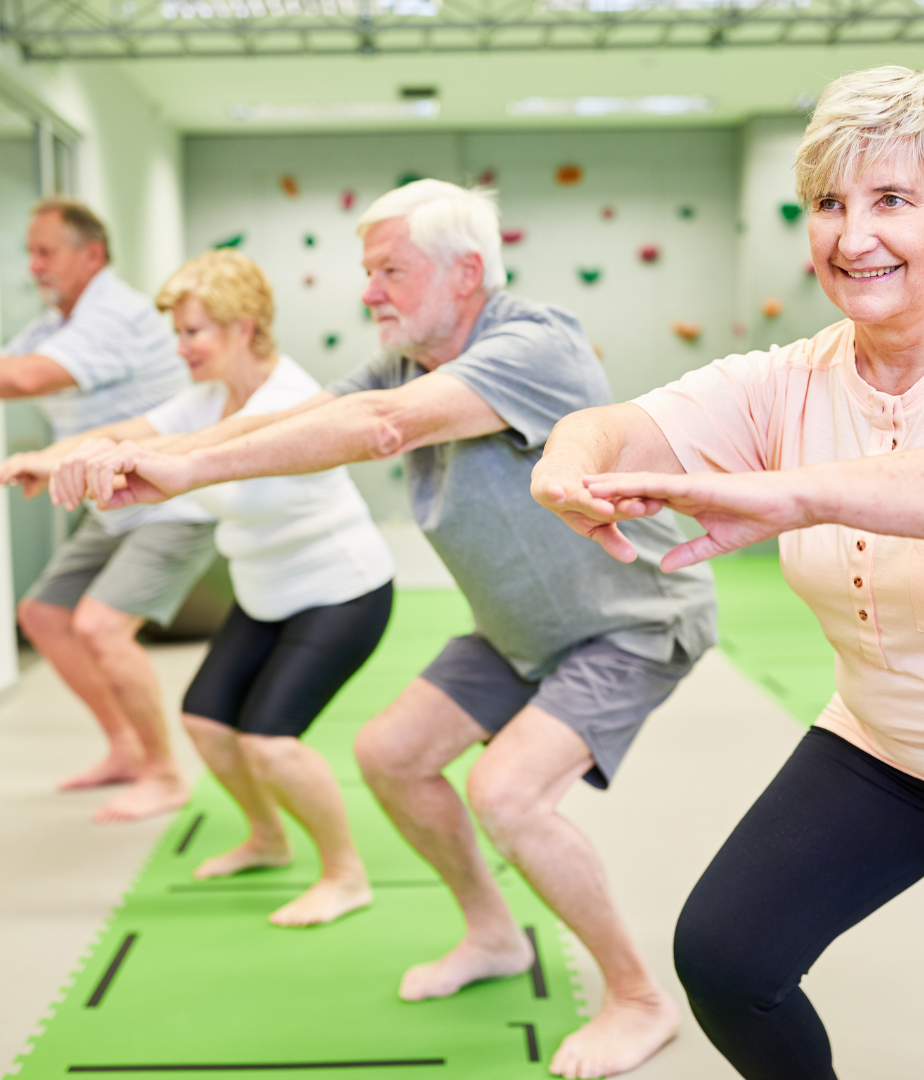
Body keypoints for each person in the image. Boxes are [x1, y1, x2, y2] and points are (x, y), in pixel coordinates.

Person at [57, 180, 717, 1080]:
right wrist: (166, 457)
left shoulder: (533, 343)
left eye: (391, 270)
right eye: (368, 271)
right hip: (518, 630)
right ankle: (493, 934)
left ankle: (639, 1000)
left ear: (466, 272)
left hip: (629, 621)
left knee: (508, 794)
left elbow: (376, 430)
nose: (370, 291)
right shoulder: (405, 358)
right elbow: (305, 416)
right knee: (389, 754)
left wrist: (175, 471)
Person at [532, 63, 924, 1079]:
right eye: (828, 202)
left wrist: (806, 491)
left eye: (891, 200)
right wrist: (571, 458)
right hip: (887, 744)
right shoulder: (785, 379)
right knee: (726, 959)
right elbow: (616, 427)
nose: (850, 235)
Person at [44, 250, 395, 926]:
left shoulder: (288, 399)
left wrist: (116, 466)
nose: (182, 348)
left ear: (242, 327)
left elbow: (196, 456)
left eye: (193, 332)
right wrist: (53, 457)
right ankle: (266, 838)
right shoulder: (209, 396)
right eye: (178, 333)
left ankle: (346, 875)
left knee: (270, 741)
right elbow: (137, 431)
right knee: (207, 721)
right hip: (266, 590)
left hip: (339, 589)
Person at [0, 198, 216, 822]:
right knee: (43, 614)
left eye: (46, 251)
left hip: (173, 502)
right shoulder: (53, 323)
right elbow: (17, 363)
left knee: (99, 625)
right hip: (113, 502)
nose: (34, 265)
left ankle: (165, 774)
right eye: (31, 252)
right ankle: (125, 748)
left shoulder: (115, 314)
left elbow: (25, 380)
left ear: (90, 254)